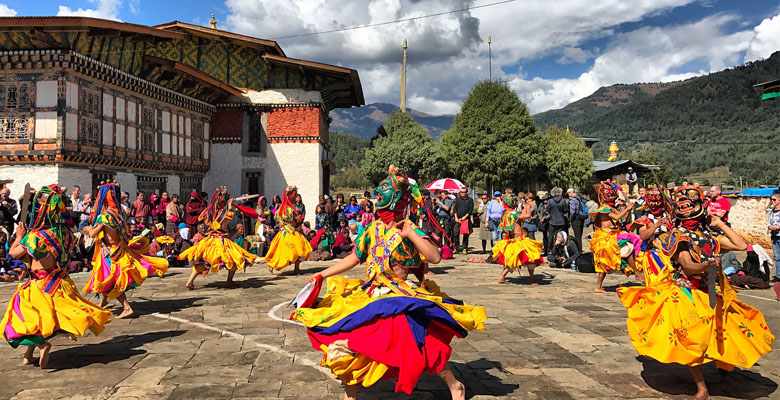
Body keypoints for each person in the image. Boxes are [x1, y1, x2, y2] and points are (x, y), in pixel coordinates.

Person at [293, 165, 486, 400]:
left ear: (394, 199)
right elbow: (355, 258)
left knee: (421, 345)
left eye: (383, 188)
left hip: (399, 298)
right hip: (371, 295)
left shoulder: (408, 228)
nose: (377, 192)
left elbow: (434, 257)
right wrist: (322, 274)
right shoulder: (372, 229)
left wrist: (411, 234)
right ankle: (350, 395)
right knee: (352, 340)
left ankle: (455, 385)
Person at [618, 185, 773, 400]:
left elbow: (740, 244)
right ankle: (702, 388)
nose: (687, 209)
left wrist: (719, 223)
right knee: (690, 337)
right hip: (686, 292)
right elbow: (688, 266)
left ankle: (723, 367)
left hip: (710, 290)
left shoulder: (708, 236)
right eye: (683, 206)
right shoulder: (677, 237)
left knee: (726, 328)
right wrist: (707, 265)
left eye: (691, 205)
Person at [1, 185, 110, 369]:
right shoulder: (66, 234)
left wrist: (19, 236)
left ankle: (42, 344)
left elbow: (13, 254)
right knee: (48, 318)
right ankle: (29, 355)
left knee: (22, 318)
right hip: (59, 283)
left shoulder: (35, 236)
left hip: (39, 284)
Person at [82, 182, 168, 318]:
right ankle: (102, 303)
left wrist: (87, 229)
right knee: (109, 278)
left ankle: (127, 307)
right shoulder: (121, 212)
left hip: (110, 252)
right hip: (120, 248)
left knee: (110, 280)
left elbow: (92, 234)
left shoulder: (105, 216)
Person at [180, 188, 258, 288]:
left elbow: (201, 218)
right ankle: (229, 281)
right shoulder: (224, 213)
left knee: (204, 261)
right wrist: (230, 207)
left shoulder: (208, 212)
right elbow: (228, 219)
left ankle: (190, 281)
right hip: (221, 241)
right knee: (233, 258)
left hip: (209, 240)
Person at [589, 181, 643, 294]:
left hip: (614, 235)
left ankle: (598, 287)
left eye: (614, 194)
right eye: (609, 194)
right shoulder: (604, 208)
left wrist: (629, 210)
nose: (613, 196)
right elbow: (618, 217)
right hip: (606, 237)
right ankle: (637, 273)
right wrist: (627, 209)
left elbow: (622, 220)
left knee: (625, 251)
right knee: (619, 254)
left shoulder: (611, 208)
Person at [493, 194, 544, 284]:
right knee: (530, 258)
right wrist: (528, 207)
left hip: (510, 240)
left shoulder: (505, 214)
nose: (515, 202)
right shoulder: (514, 214)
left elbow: (520, 215)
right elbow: (527, 215)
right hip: (518, 240)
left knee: (512, 259)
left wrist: (525, 208)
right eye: (514, 201)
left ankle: (502, 277)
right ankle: (532, 279)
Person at [265, 186, 312, 275]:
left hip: (288, 231)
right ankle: (274, 265)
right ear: (290, 195)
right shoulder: (289, 209)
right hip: (289, 233)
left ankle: (296, 268)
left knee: (294, 250)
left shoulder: (285, 207)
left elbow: (276, 216)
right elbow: (291, 220)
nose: (296, 197)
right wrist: (295, 217)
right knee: (295, 250)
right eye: (294, 195)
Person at [545, 187, 568, 254]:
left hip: (552, 221)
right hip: (561, 221)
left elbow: (547, 209)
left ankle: (549, 249)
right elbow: (565, 210)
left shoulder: (550, 201)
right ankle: (558, 249)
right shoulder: (563, 201)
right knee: (560, 236)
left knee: (550, 235)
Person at [453, 187, 474, 254]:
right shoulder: (458, 200)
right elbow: (455, 209)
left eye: (463, 192)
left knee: (465, 234)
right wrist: (456, 217)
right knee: (456, 233)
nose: (462, 193)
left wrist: (465, 217)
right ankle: (456, 247)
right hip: (458, 219)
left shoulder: (470, 200)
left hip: (466, 219)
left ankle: (465, 248)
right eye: (461, 192)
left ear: (466, 192)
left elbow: (470, 210)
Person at [767, 191, 780, 282]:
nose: (772, 201)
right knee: (777, 257)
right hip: (774, 235)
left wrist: (778, 227)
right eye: (771, 200)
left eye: (774, 199)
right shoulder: (771, 211)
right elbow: (768, 222)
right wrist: (770, 227)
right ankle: (778, 275)